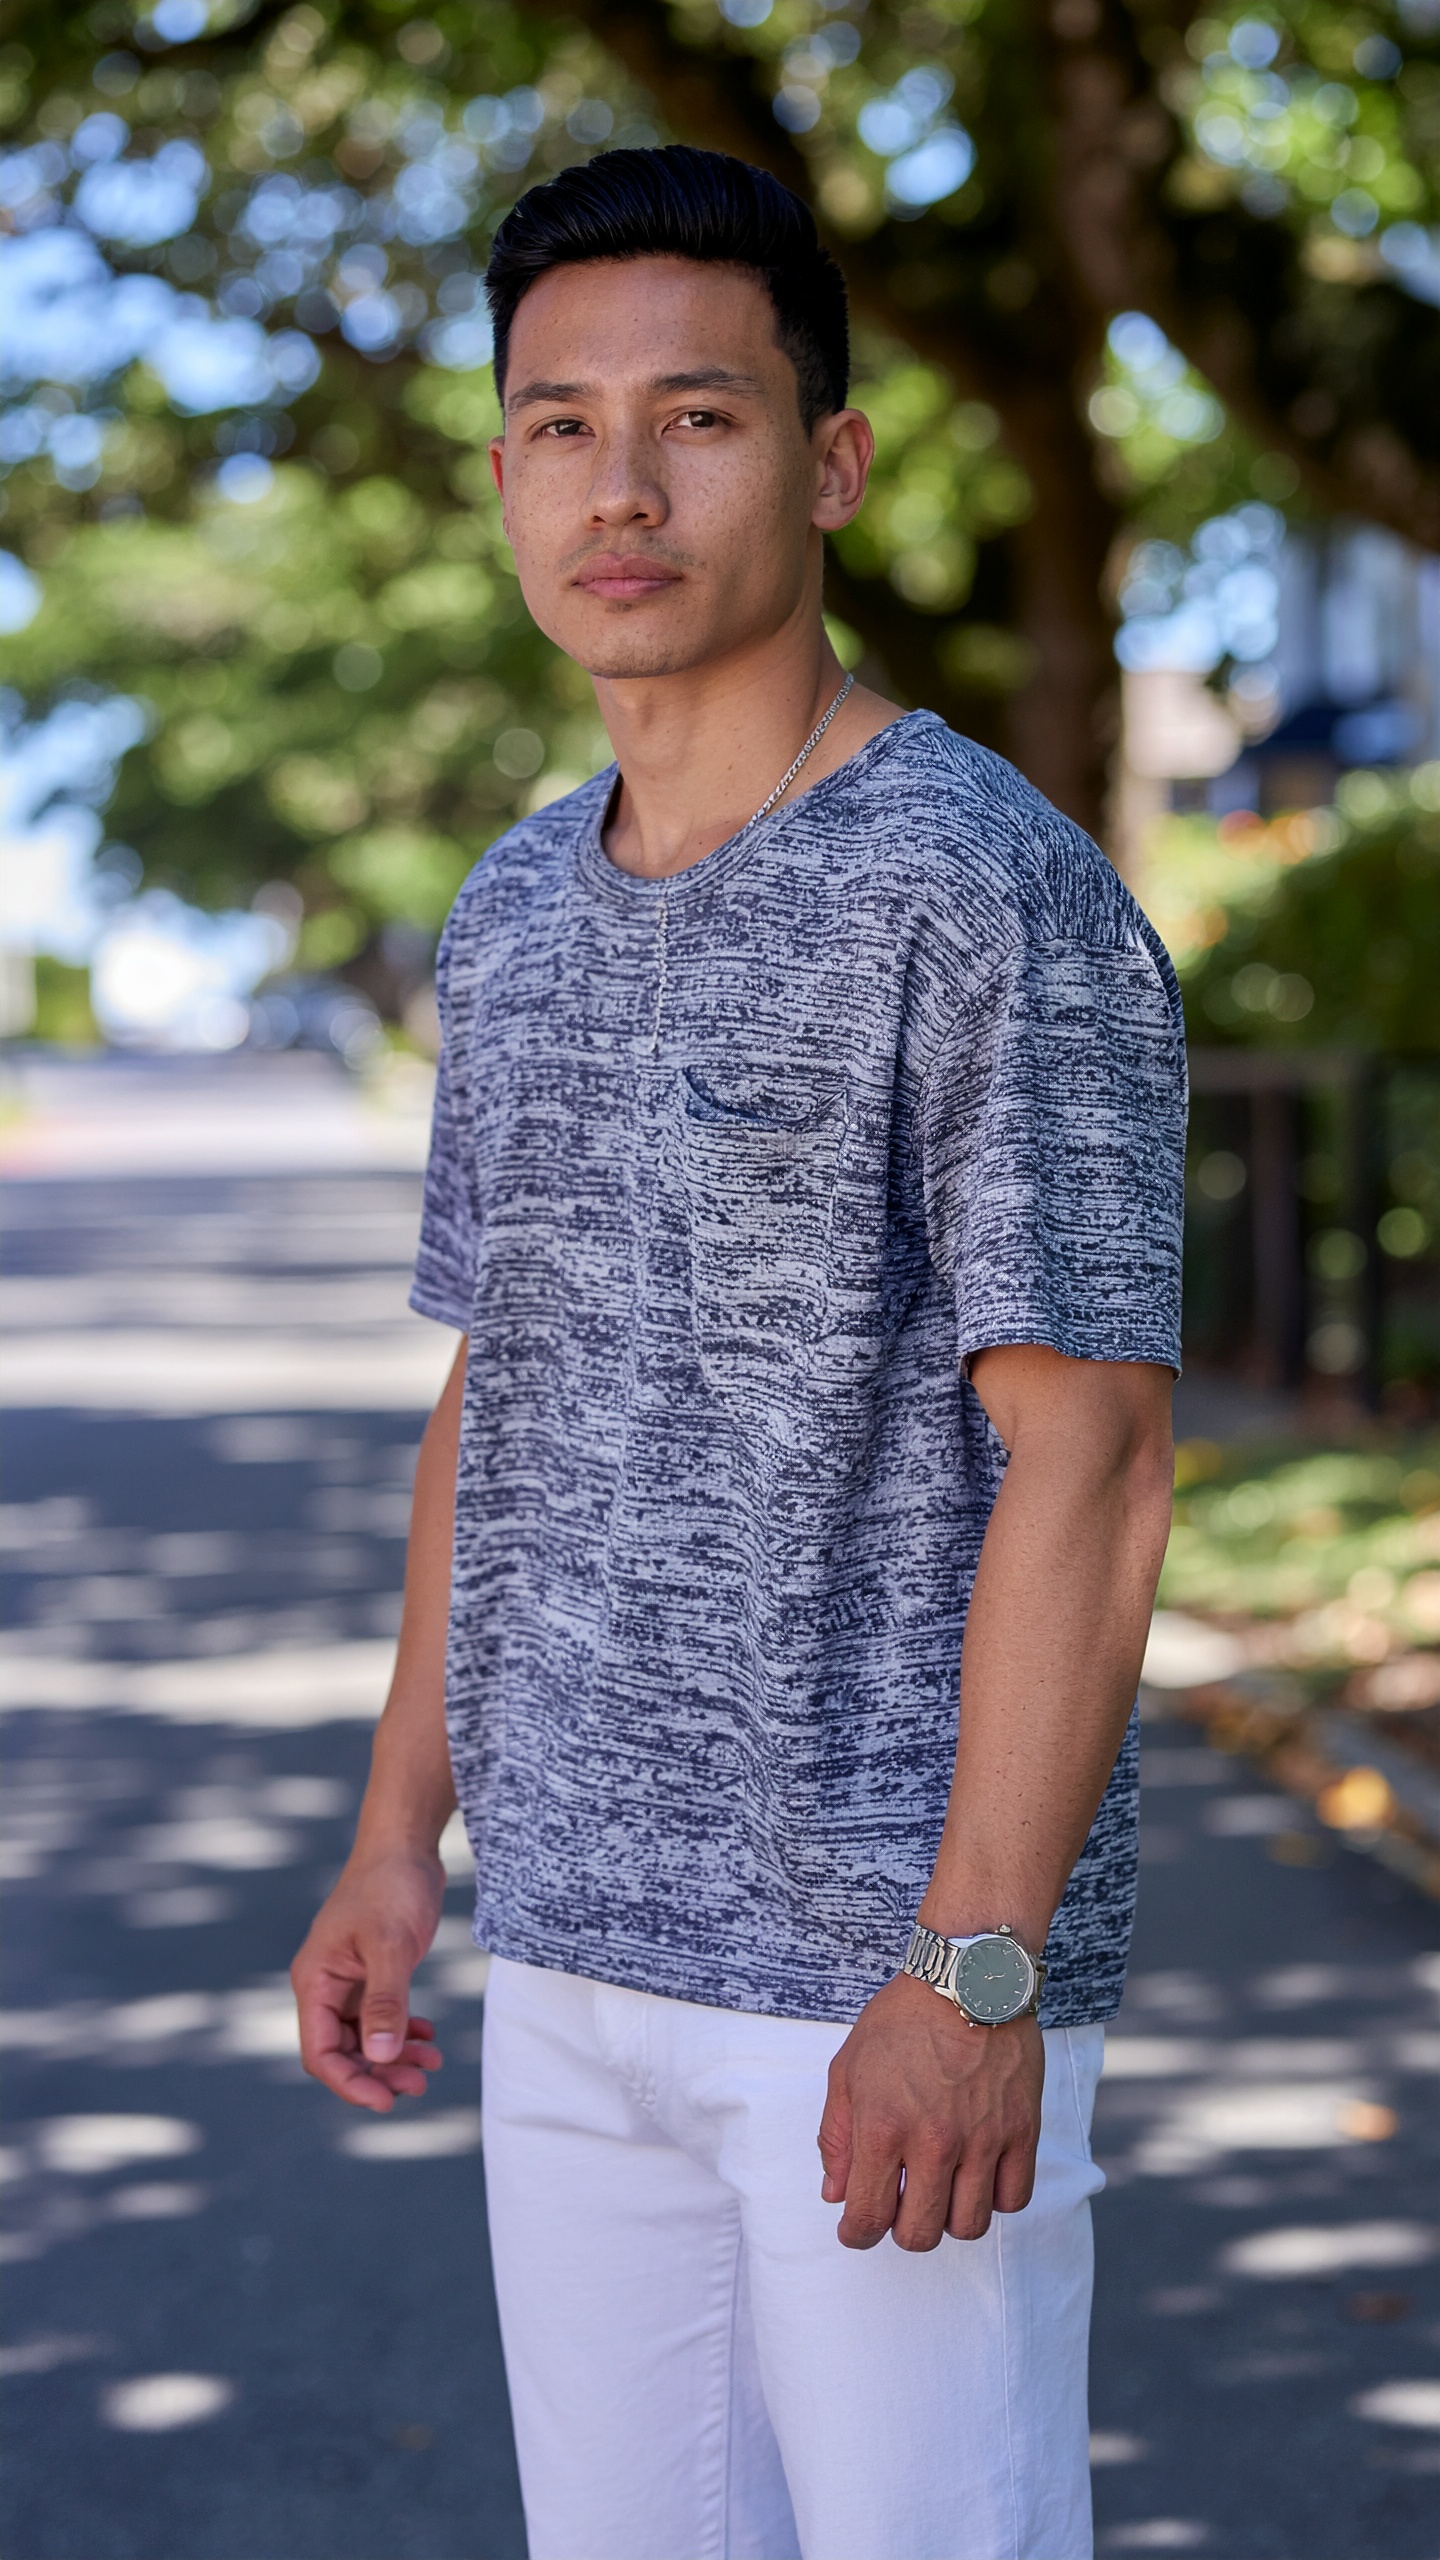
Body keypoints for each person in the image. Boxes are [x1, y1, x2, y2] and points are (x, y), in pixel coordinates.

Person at [292, 145, 1185, 2560]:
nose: (621, 483)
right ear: (500, 474)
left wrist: (975, 1964)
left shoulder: (982, 884)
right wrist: (402, 1835)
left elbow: (1092, 1455)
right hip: (566, 1955)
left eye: (695, 414)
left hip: (873, 1974)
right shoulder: (509, 908)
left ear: (830, 459)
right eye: (559, 425)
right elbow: (504, 1388)